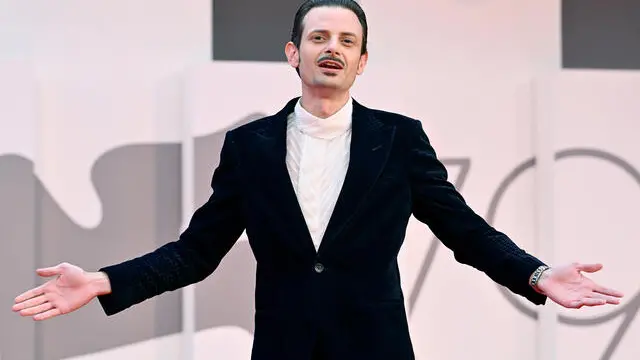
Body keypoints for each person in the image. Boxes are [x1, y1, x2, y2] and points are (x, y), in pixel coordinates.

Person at [13, 0, 624, 359]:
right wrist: (101, 281)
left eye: (347, 41)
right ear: (293, 53)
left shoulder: (399, 138)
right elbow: (196, 253)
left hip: (375, 348)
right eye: (319, 37)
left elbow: (465, 230)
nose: (331, 48)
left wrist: (538, 275)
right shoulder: (249, 147)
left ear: (362, 61)